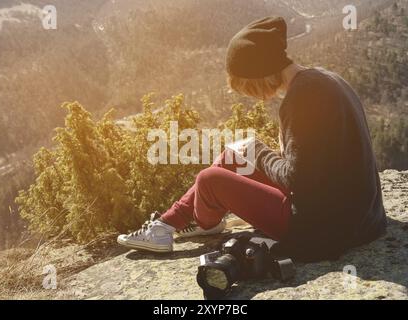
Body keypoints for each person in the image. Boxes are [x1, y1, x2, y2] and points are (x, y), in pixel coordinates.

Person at [117, 16, 387, 262]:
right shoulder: (325, 78)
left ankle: (201, 220)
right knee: (231, 157)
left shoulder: (301, 99)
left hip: (323, 226)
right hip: (358, 215)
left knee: (208, 180)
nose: (250, 94)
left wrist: (258, 151)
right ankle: (167, 226)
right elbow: (316, 167)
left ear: (259, 73)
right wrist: (255, 152)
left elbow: (297, 179)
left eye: (246, 85)